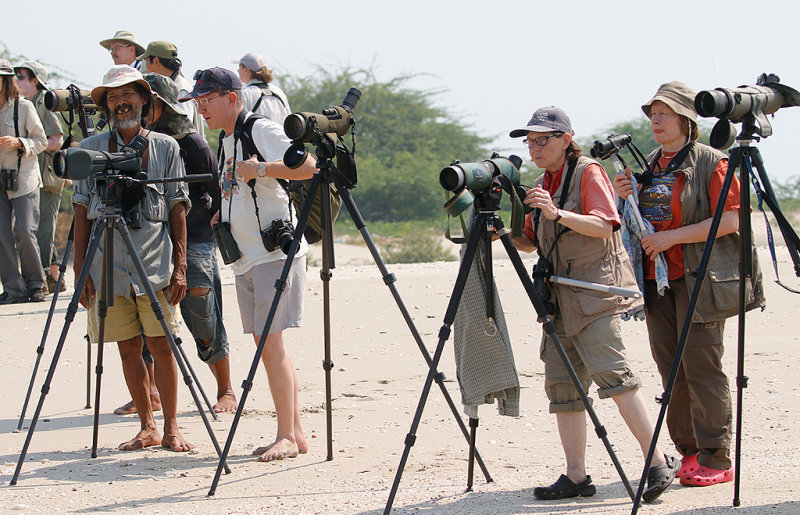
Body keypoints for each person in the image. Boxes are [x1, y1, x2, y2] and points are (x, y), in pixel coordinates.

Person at [508, 106, 678, 502]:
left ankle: (657, 461)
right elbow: (530, 241)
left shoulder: (589, 172)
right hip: (558, 300)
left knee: (615, 379)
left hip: (594, 295)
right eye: (530, 141)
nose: (535, 147)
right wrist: (501, 227)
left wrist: (555, 211)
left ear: (567, 139)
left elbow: (604, 225)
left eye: (543, 139)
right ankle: (576, 476)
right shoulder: (542, 182)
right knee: (563, 389)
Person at [613, 82, 765, 487]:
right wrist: (624, 195)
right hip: (657, 281)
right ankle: (689, 452)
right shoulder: (649, 164)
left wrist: (671, 238)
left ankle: (718, 456)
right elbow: (635, 225)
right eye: (653, 114)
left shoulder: (711, 162)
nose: (656, 120)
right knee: (671, 369)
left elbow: (732, 221)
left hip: (700, 280)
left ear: (686, 119)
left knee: (702, 368)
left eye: (664, 113)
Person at [181, 67, 316, 462]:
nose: (201, 108)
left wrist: (259, 169)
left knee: (270, 344)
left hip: (275, 252)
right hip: (246, 256)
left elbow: (308, 167)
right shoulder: (225, 139)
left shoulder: (260, 129)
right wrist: (223, 213)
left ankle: (286, 437)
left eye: (207, 100)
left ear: (231, 98)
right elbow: (233, 186)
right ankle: (296, 433)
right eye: (198, 102)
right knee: (267, 342)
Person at [73, 65, 193, 452]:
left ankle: (172, 427)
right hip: (106, 263)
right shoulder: (90, 149)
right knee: (126, 346)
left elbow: (178, 208)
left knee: (161, 345)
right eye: (112, 97)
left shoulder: (165, 146)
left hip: (154, 260)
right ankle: (147, 426)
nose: (120, 103)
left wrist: (180, 266)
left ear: (145, 101)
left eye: (128, 95)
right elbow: (79, 211)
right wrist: (80, 271)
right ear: (106, 106)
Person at [141, 72, 237, 412]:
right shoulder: (134, 142)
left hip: (194, 236)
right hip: (148, 239)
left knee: (203, 313)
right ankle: (150, 391)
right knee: (144, 317)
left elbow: (217, 191)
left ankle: (225, 389)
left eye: (147, 103)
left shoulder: (191, 143)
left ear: (161, 106)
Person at [14, 60, 68, 295]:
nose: (16, 80)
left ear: (35, 80)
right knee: (38, 229)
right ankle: (55, 278)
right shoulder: (23, 104)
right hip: (32, 175)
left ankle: (45, 277)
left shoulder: (44, 103)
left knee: (43, 229)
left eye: (21, 76)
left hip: (47, 176)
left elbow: (56, 140)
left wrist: (30, 144)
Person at [0, 58, 47, 304]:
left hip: (24, 178)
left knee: (24, 231)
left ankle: (36, 284)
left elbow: (42, 141)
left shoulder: (23, 107)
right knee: (1, 235)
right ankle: (13, 289)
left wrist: (19, 142)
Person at [137, 41, 205, 139]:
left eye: (147, 61)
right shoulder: (173, 85)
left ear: (156, 61)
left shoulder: (181, 90)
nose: (146, 67)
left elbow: (183, 131)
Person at [234, 53, 291, 124]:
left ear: (246, 70)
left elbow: (240, 124)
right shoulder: (279, 92)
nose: (238, 70)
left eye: (239, 67)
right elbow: (289, 121)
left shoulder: (245, 94)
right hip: (282, 134)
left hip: (257, 135)